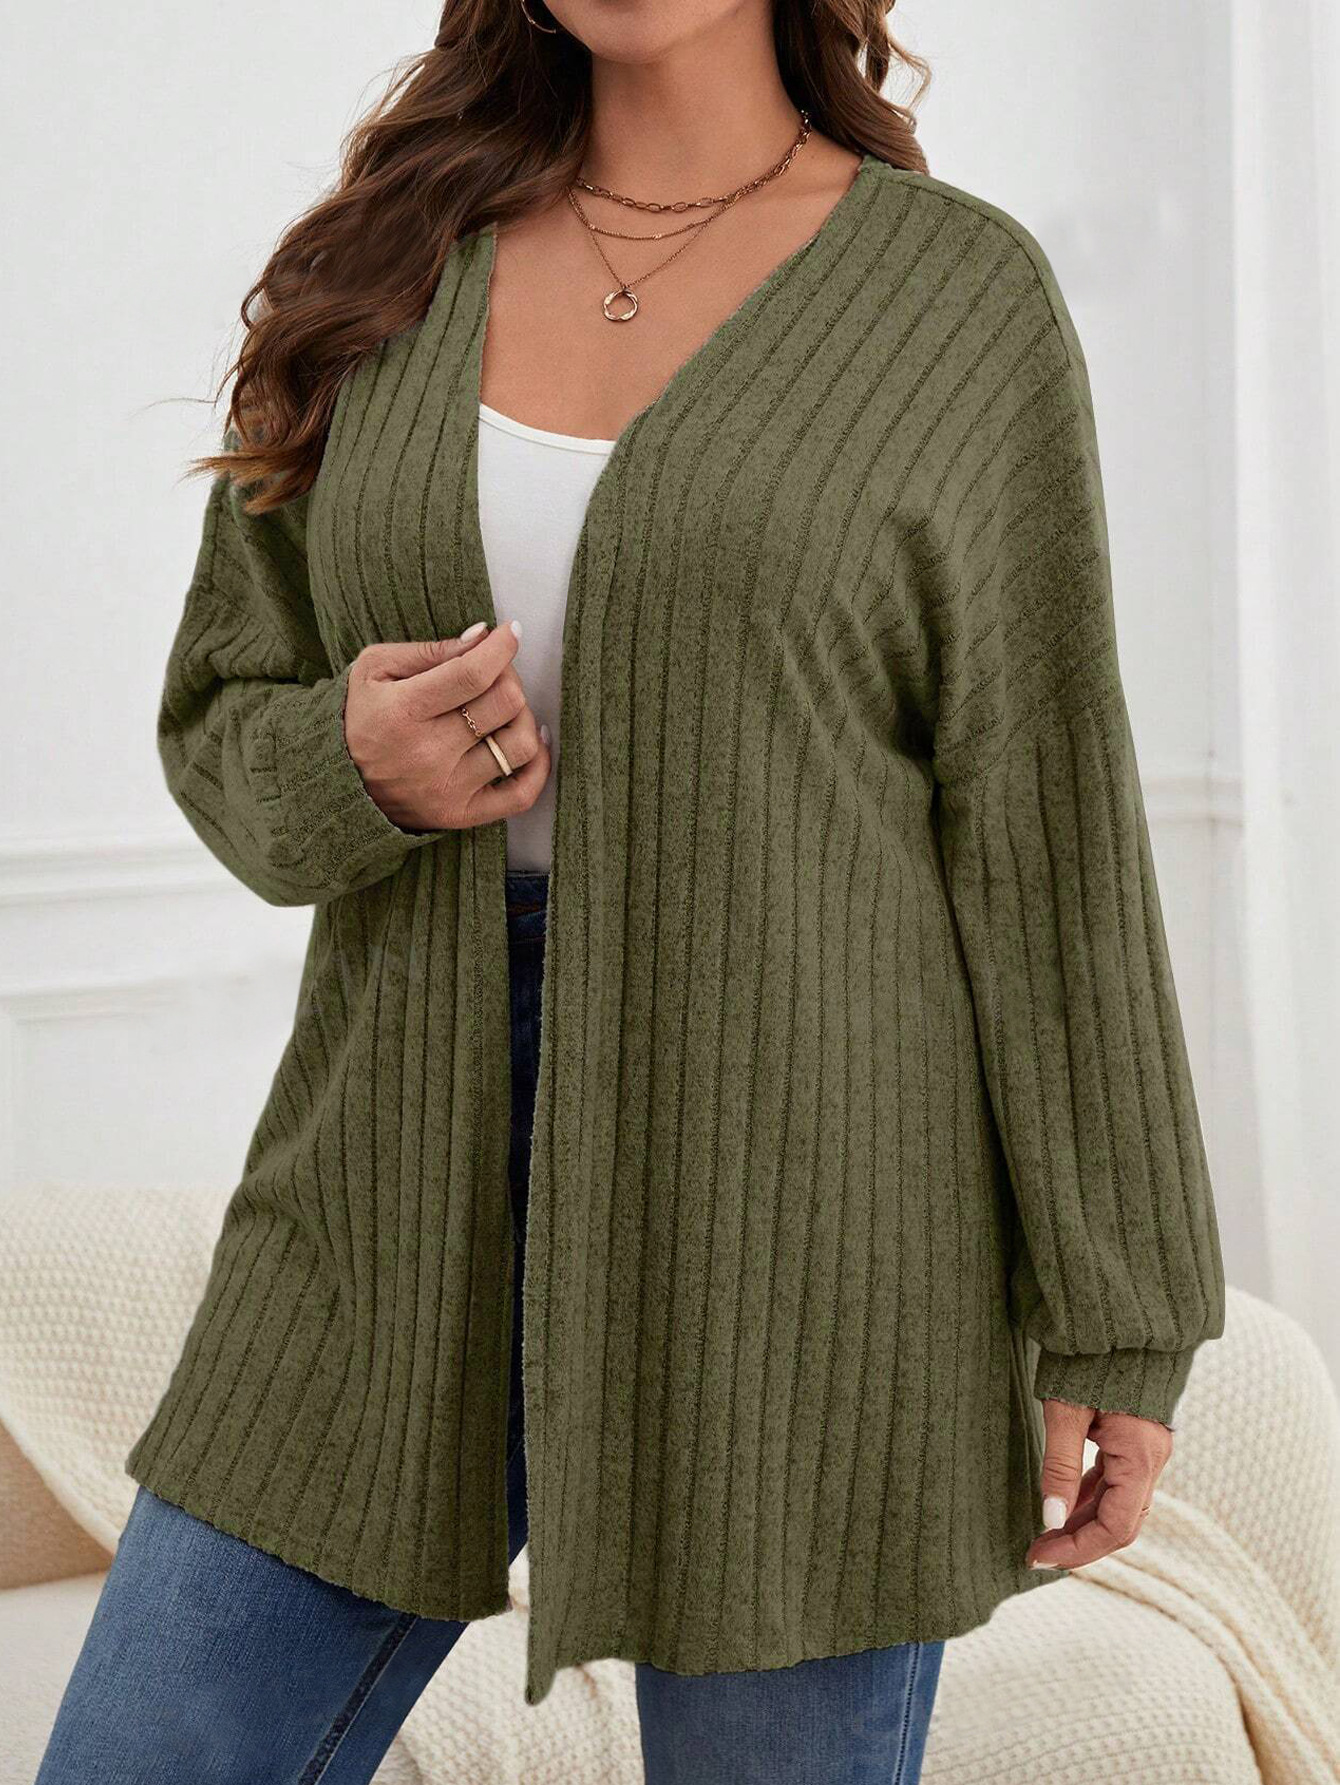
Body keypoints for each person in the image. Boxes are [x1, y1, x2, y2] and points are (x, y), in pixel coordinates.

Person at [35, 1, 1226, 1780]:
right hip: (382, 1173)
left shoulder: (957, 301)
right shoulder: (386, 265)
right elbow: (222, 716)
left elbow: (1047, 827)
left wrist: (1124, 1308)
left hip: (813, 1214)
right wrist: (349, 764)